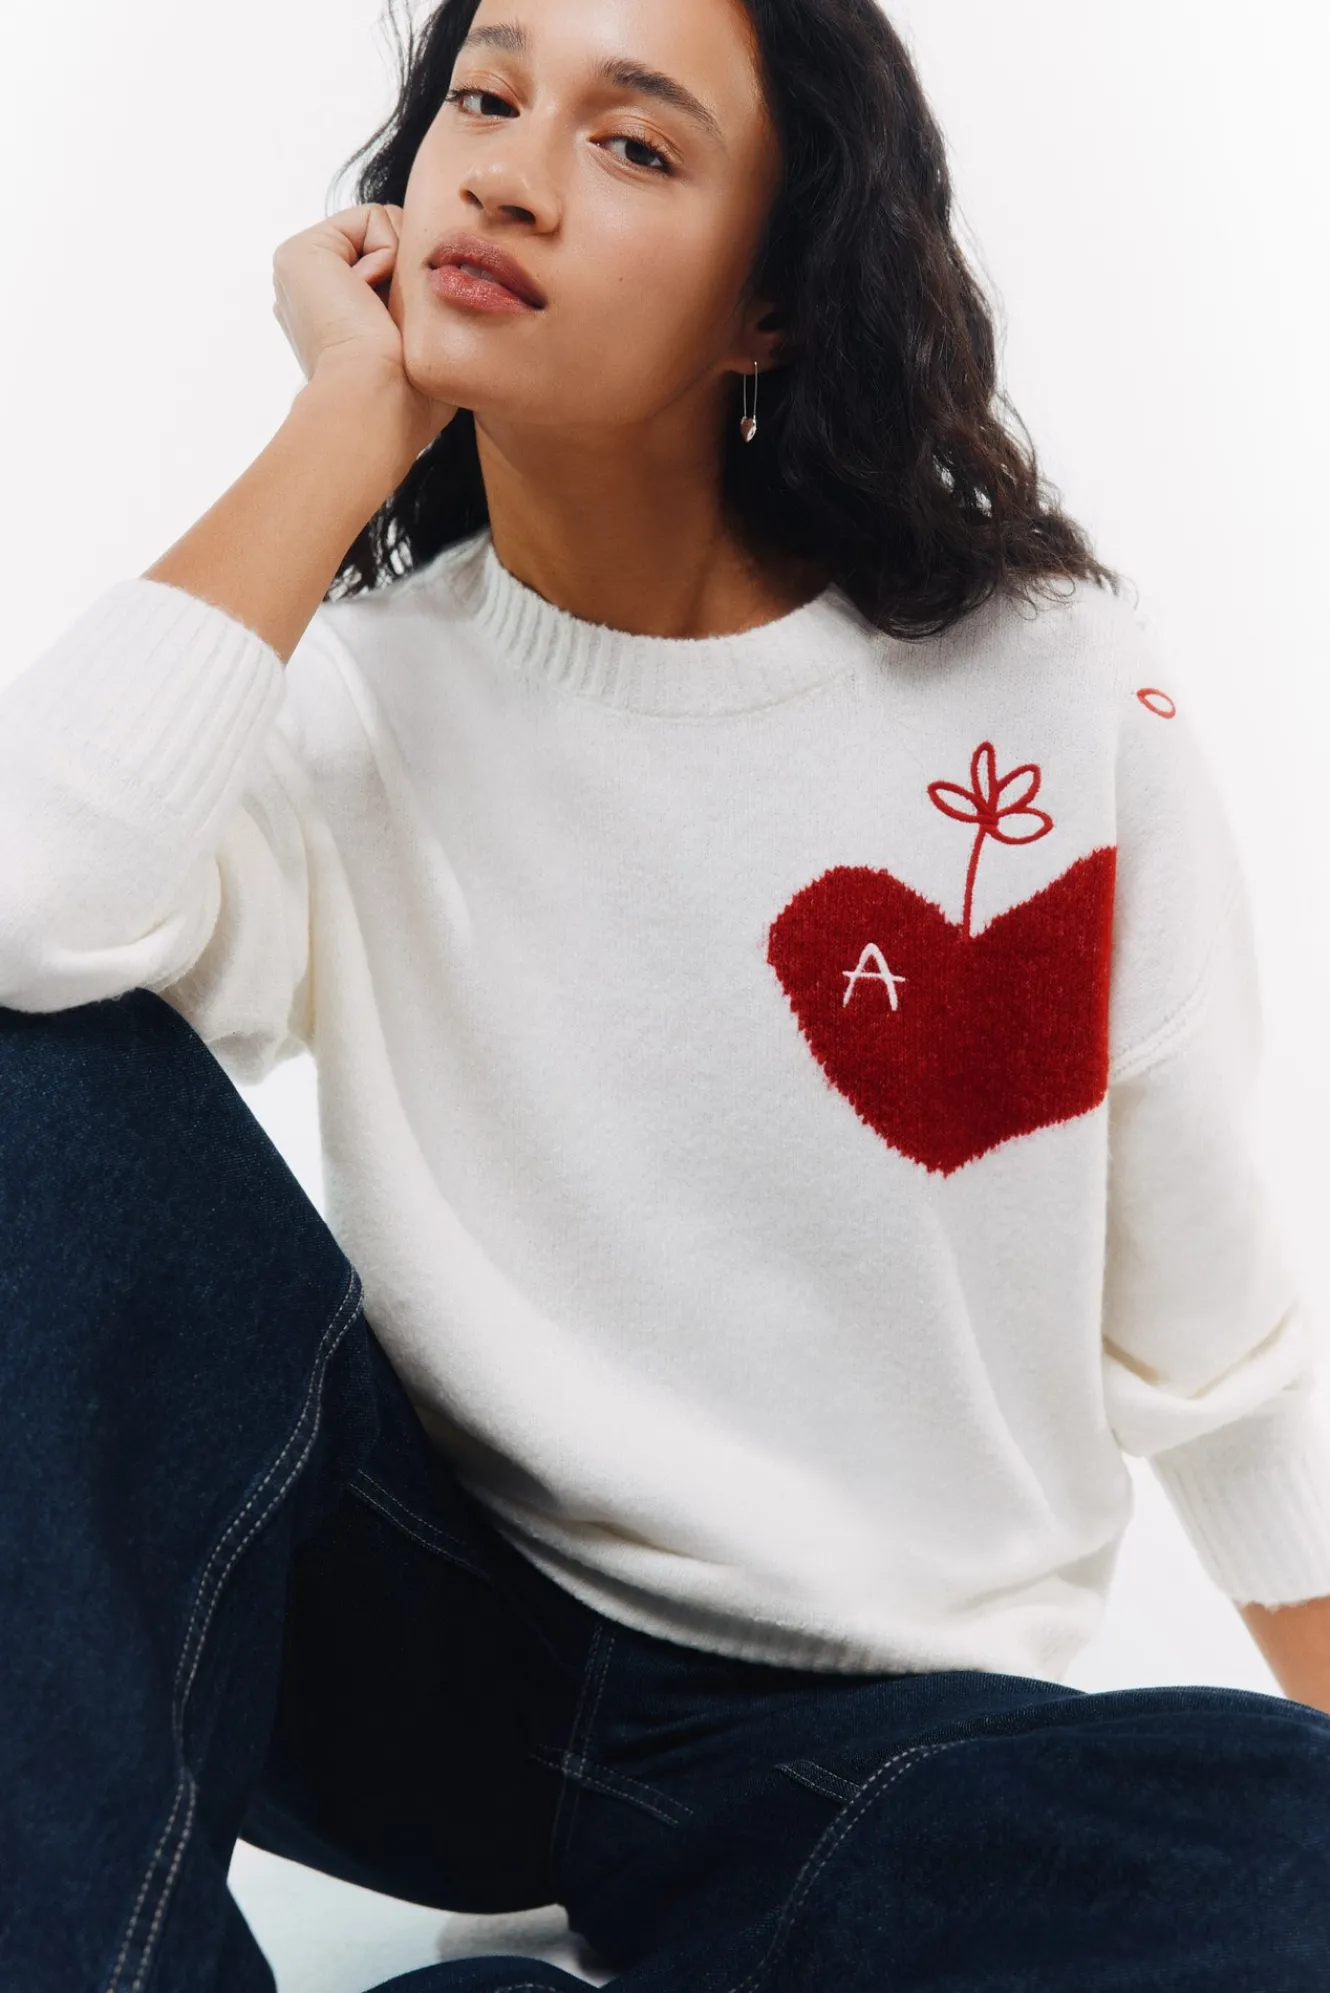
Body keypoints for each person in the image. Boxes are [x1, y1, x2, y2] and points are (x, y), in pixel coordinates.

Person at [3, 0, 1330, 1986]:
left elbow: (1217, 1344)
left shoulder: (1047, 690)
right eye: (485, 97)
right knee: (32, 1082)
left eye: (632, 144)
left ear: (769, 308)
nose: (511, 177)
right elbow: (23, 908)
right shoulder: (353, 703)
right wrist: (345, 421)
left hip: (867, 1749)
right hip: (428, 1658)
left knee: (1286, 1847)